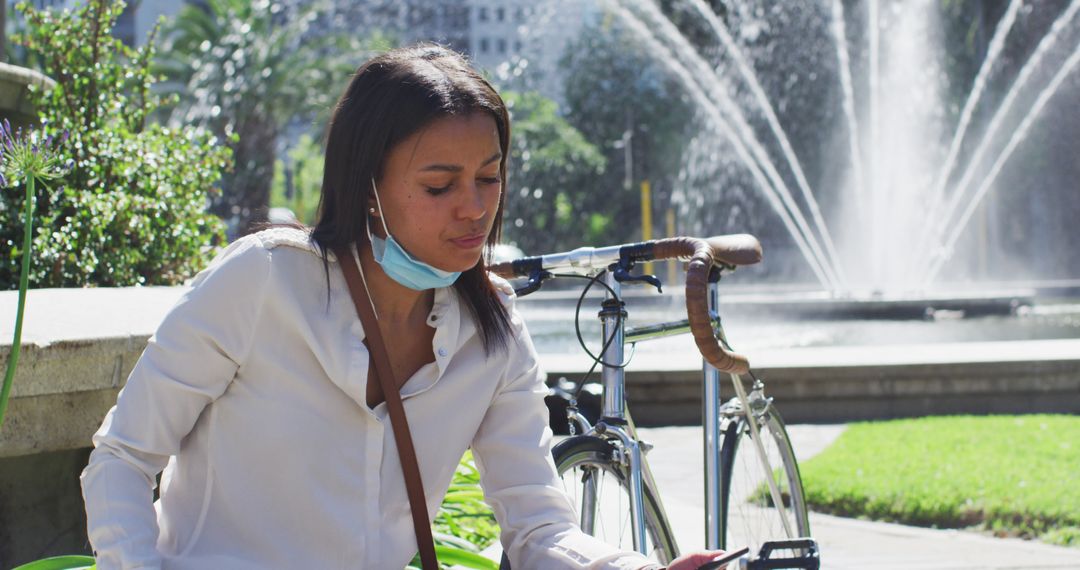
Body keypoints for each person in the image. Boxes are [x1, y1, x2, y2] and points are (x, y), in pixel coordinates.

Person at [81, 44, 728, 570]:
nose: (474, 207)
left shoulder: (492, 332)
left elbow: (538, 527)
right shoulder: (262, 283)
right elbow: (122, 457)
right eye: (439, 184)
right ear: (368, 188)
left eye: (489, 177)